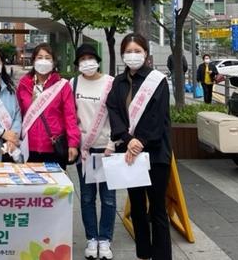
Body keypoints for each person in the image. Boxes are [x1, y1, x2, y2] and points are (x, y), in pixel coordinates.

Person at [106, 33, 172, 260]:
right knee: (136, 206)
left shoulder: (157, 81)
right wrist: (127, 139)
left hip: (155, 154)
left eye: (137, 51)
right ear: (122, 54)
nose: (132, 55)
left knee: (157, 208)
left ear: (145, 53)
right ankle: (143, 253)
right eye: (128, 51)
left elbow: (158, 117)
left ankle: (162, 256)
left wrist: (140, 141)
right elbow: (113, 112)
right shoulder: (118, 82)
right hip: (129, 154)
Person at [71, 44, 116, 260]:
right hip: (85, 151)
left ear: (97, 61)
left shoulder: (110, 83)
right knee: (87, 197)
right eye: (82, 59)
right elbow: (70, 116)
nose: (87, 62)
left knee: (108, 198)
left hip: (106, 149)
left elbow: (119, 115)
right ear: (78, 63)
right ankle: (92, 238)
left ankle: (105, 239)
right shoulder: (73, 84)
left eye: (90, 58)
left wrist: (113, 143)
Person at [16, 43, 80, 171]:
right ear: (33, 61)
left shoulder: (62, 86)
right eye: (39, 57)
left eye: (47, 58)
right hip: (29, 147)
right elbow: (18, 114)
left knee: (55, 183)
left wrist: (73, 143)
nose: (43, 61)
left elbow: (70, 116)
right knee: (30, 183)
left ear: (54, 62)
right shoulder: (24, 84)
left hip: (54, 147)